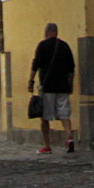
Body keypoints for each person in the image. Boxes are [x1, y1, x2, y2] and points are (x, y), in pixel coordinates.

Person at [29, 22, 76, 154]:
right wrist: (70, 85)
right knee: (64, 114)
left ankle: (47, 145)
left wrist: (31, 81)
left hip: (47, 86)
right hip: (63, 87)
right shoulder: (64, 46)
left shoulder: (42, 45)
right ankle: (69, 137)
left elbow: (35, 64)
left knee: (45, 117)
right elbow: (71, 69)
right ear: (56, 32)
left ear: (47, 32)